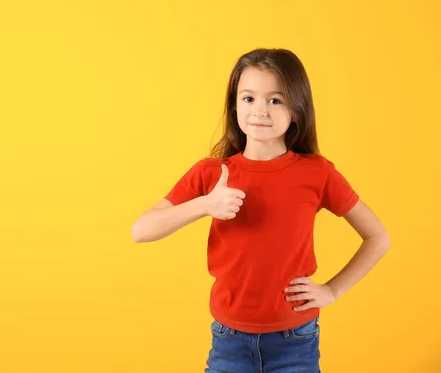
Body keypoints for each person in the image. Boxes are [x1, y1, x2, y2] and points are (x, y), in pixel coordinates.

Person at [131, 48, 391, 372]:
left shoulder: (318, 173)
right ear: (234, 105)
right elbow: (140, 230)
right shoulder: (211, 173)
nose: (260, 111)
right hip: (229, 341)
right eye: (249, 98)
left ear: (297, 109)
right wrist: (205, 205)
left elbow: (378, 237)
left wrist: (332, 290)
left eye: (275, 100)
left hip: (296, 341)